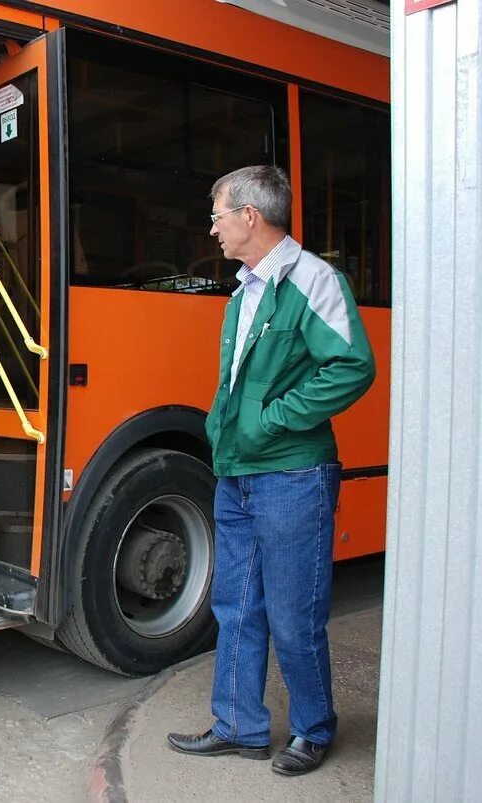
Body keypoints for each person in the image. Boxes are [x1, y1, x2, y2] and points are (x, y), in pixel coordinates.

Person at [166, 165, 376, 776]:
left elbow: (351, 367)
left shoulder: (312, 278)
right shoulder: (244, 290)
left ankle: (313, 729)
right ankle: (239, 726)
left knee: (293, 612)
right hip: (238, 472)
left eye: (218, 215)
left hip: (291, 476)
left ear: (250, 216)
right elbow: (238, 383)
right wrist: (221, 425)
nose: (214, 229)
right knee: (235, 604)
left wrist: (275, 419)